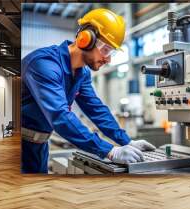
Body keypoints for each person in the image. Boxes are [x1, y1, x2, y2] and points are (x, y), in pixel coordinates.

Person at [21, 8, 156, 173]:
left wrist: (127, 141)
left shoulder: (82, 72)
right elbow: (60, 116)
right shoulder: (44, 64)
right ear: (86, 39)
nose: (108, 59)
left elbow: (96, 109)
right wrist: (110, 151)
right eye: (106, 50)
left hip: (40, 146)